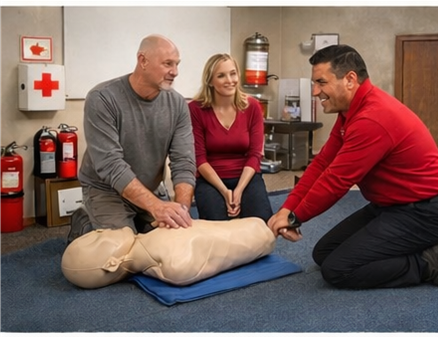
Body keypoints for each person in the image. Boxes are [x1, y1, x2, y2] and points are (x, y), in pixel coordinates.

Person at [267, 44, 438, 289]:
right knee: (324, 253)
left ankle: (428, 261)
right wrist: (287, 209)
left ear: (349, 79)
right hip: (389, 206)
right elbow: (323, 164)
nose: (315, 91)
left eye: (321, 82)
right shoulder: (351, 111)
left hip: (423, 213)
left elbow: (336, 181)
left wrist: (294, 218)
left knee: (339, 270)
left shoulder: (372, 118)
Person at [67, 34, 196, 244]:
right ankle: (85, 221)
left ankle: (139, 222)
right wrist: (156, 207)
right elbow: (111, 165)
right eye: (167, 64)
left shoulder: (178, 104)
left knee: (173, 243)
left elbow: (184, 161)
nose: (175, 72)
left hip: (151, 189)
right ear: (142, 60)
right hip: (106, 189)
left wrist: (181, 209)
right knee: (123, 252)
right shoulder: (102, 98)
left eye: (177, 64)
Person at [188, 53, 273, 222]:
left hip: (246, 176)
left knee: (261, 222)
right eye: (221, 75)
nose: (229, 80)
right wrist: (225, 191)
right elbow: (199, 158)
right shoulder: (195, 109)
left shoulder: (253, 107)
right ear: (210, 81)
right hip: (210, 179)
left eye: (233, 73)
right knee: (216, 224)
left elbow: (255, 155)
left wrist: (239, 190)